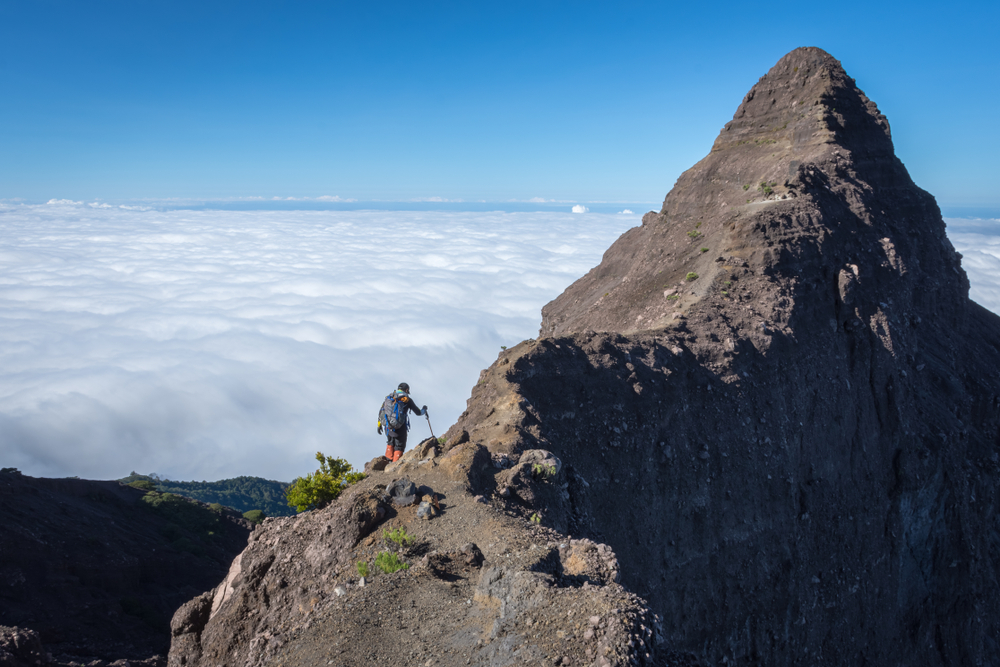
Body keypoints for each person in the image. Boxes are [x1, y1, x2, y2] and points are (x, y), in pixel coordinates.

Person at [377, 382, 427, 463]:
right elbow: (418, 412)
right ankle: (394, 465)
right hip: (400, 427)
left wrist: (379, 424)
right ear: (406, 390)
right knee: (399, 446)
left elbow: (382, 411)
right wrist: (424, 409)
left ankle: (387, 461)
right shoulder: (407, 399)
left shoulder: (389, 397)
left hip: (388, 426)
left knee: (390, 442)